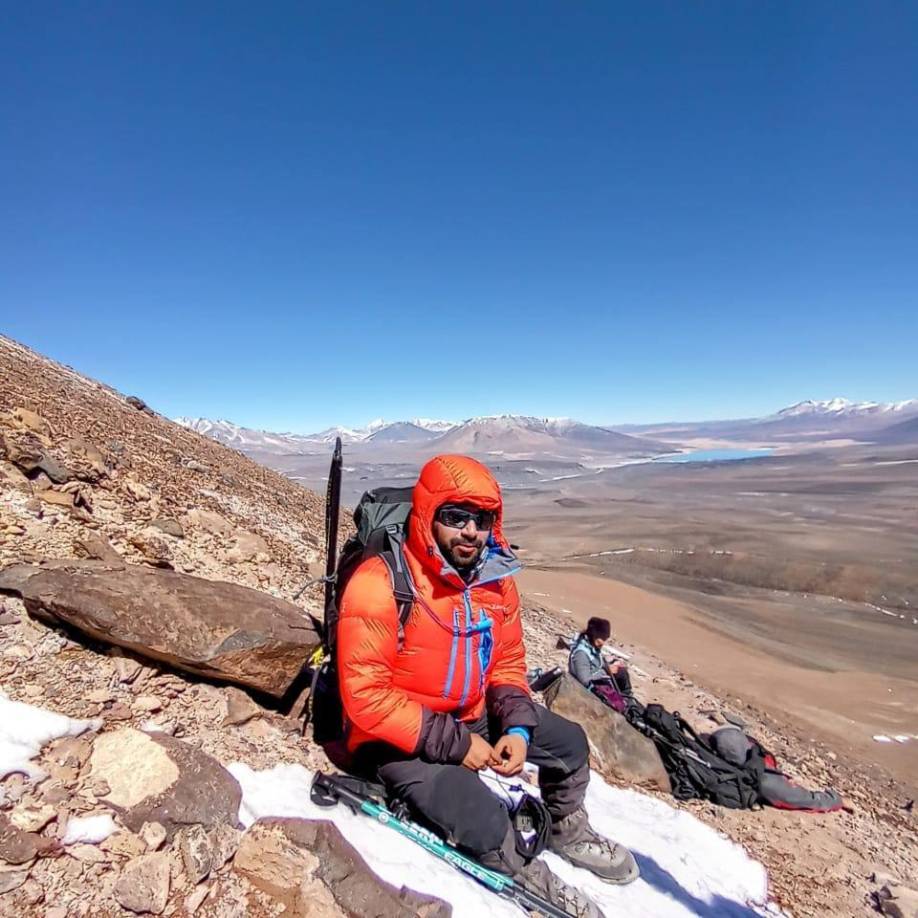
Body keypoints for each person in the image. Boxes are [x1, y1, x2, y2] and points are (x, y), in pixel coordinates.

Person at [337, 455, 639, 916]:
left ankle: (567, 828)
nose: (470, 532)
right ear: (427, 514)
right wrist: (459, 746)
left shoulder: (496, 583)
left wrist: (516, 729)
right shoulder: (380, 583)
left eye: (481, 519)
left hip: (470, 716)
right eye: (455, 517)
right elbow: (366, 698)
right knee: (482, 818)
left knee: (572, 745)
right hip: (398, 740)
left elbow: (508, 664)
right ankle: (529, 878)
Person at [568, 617, 634, 713]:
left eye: (605, 639)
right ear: (594, 634)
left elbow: (596, 664)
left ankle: (628, 699)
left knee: (621, 672)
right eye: (602, 638)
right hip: (586, 689)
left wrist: (611, 663)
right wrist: (606, 671)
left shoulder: (592, 646)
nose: (603, 642)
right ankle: (625, 704)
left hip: (597, 682)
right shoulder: (581, 653)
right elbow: (585, 681)